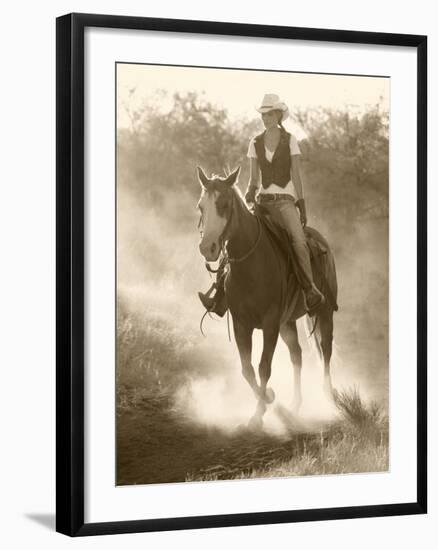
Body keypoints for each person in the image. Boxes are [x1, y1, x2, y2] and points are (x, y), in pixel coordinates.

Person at [198, 93, 325, 316]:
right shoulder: (254, 142)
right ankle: (220, 295)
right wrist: (249, 193)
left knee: (298, 241)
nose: (265, 118)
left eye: (269, 114)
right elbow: (254, 179)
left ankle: (309, 289)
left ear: (278, 115)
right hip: (263, 203)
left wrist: (301, 202)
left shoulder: (291, 140)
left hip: (285, 203)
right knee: (234, 238)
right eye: (263, 114)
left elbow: (295, 174)